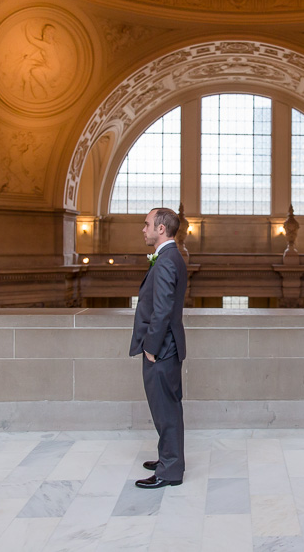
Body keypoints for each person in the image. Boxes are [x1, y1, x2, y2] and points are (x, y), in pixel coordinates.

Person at [130, 207, 187, 489]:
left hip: (161, 349)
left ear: (161, 229)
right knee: (167, 408)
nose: (143, 229)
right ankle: (168, 459)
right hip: (167, 347)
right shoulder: (170, 256)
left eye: (147, 224)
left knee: (165, 410)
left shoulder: (165, 261)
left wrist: (150, 347)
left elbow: (162, 310)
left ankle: (169, 471)